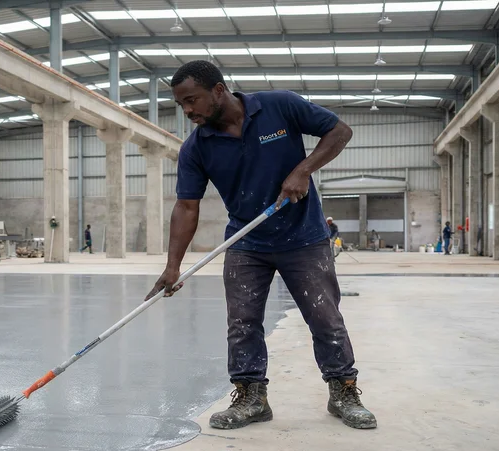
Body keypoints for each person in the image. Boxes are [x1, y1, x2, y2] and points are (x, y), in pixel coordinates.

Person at [145, 60, 376, 430]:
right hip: (246, 242)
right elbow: (187, 206)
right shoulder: (196, 148)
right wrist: (173, 266)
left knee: (325, 317)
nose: (187, 111)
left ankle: (343, 392)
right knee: (242, 323)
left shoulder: (279, 106)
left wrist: (303, 170)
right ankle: (252, 396)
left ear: (218, 91)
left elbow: (339, 132)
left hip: (305, 238)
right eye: (181, 104)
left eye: (192, 100)